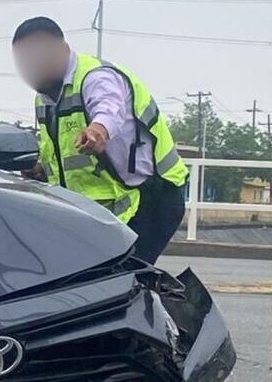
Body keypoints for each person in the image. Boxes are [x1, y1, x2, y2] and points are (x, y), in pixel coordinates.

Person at [11, 16, 188, 264]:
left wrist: (98, 131)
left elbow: (109, 110)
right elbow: (55, 151)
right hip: (101, 210)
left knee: (125, 279)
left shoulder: (97, 77)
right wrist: (40, 169)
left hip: (152, 196)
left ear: (62, 50)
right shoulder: (44, 99)